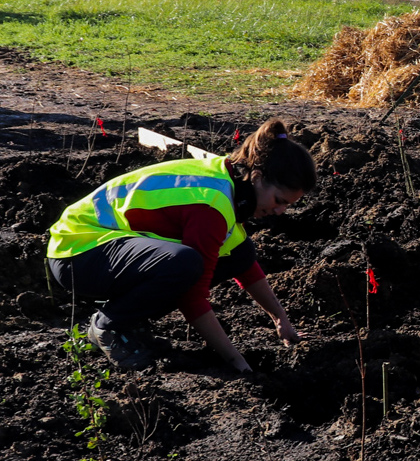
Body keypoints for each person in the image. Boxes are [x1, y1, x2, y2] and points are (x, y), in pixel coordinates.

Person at [46, 119, 316, 374]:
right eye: (279, 200)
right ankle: (109, 326)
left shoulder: (228, 181)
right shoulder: (212, 204)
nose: (280, 211)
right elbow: (192, 295)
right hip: (77, 251)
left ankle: (130, 322)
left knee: (238, 253)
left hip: (104, 250)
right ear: (256, 176)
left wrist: (281, 319)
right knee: (183, 264)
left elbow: (243, 264)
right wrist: (236, 361)